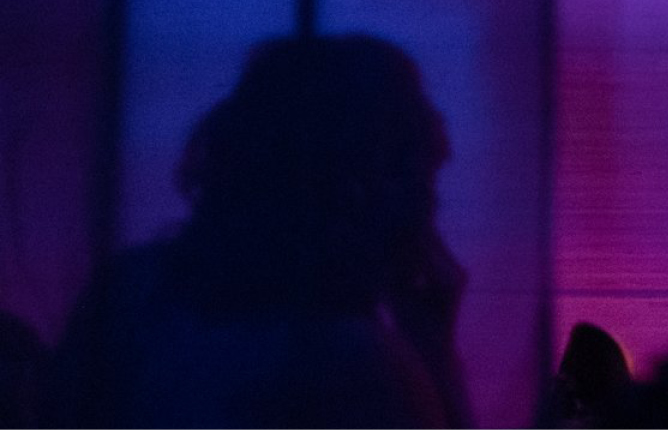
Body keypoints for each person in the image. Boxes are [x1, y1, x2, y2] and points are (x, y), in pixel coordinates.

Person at [42, 35, 467, 427]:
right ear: (361, 184)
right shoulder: (358, 364)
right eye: (421, 179)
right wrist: (435, 358)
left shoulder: (128, 294)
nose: (431, 207)